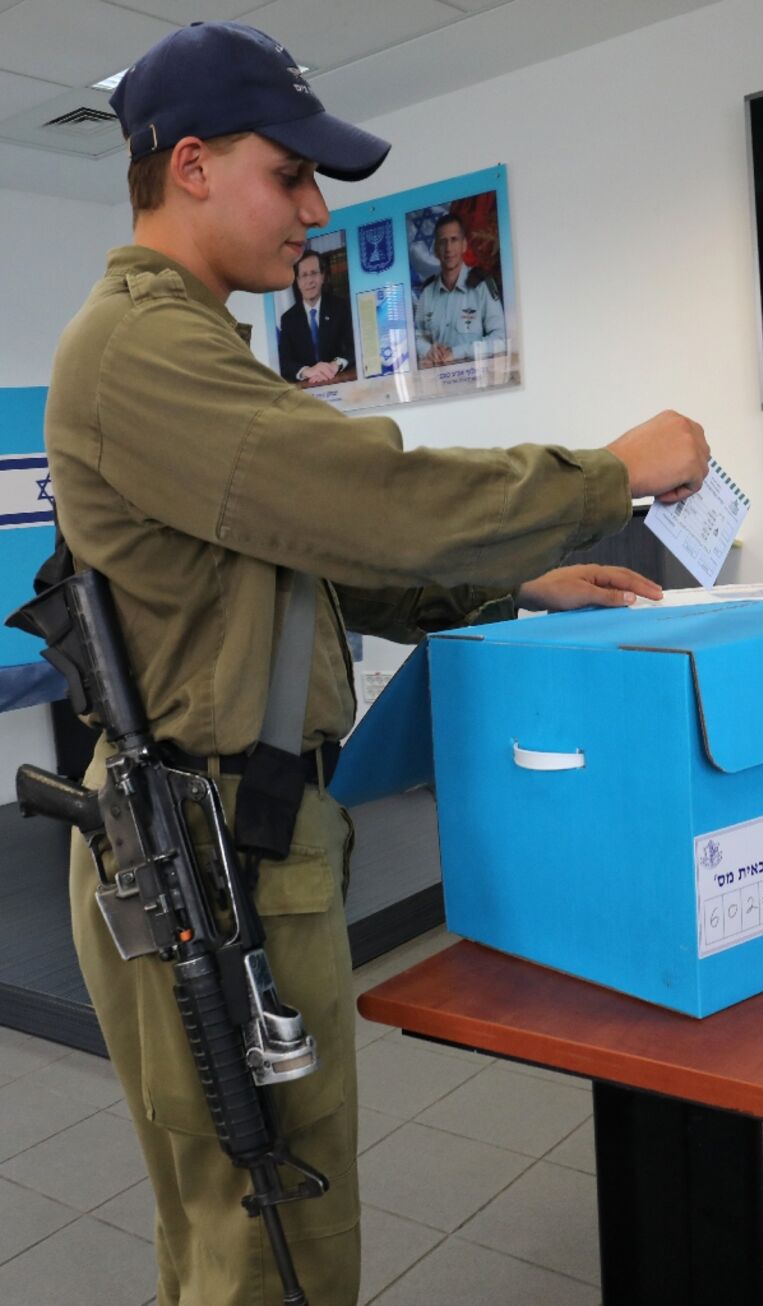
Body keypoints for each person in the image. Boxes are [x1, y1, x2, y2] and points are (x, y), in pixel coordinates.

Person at [44, 19, 709, 1306]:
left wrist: (515, 579)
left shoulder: (192, 347)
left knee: (243, 1215)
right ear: (189, 164)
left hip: (238, 838)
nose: (310, 214)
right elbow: (378, 498)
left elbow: (320, 564)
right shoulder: (142, 351)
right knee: (274, 1235)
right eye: (289, 175)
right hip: (210, 853)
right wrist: (614, 472)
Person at [414, 212, 506, 367]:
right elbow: (417, 336)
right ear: (436, 249)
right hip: (439, 384)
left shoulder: (481, 286)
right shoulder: (427, 293)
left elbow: (499, 338)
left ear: (464, 245)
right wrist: (429, 350)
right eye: (443, 242)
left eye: (454, 240)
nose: (448, 248)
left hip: (476, 380)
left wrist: (457, 353)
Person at [278, 247, 355, 384]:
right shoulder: (288, 319)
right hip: (307, 389)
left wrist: (335, 365)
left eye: (314, 273)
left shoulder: (340, 307)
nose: (310, 280)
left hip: (339, 381)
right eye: (304, 275)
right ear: (297, 281)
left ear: (322, 277)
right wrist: (307, 371)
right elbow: (284, 362)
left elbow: (353, 347)